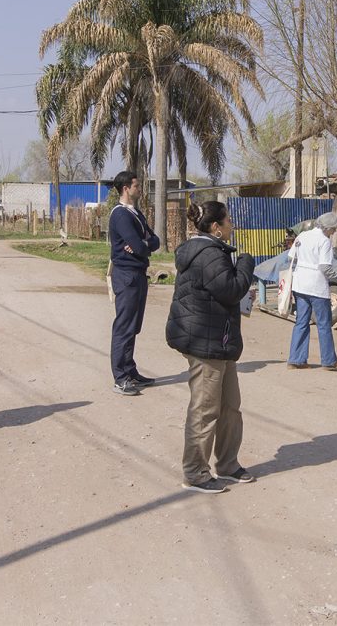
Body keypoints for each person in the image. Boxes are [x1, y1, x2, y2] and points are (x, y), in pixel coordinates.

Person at [166, 201, 255, 494]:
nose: (231, 224)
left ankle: (227, 464)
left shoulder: (212, 252)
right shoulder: (209, 255)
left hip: (219, 339)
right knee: (205, 410)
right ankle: (195, 472)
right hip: (204, 342)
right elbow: (231, 290)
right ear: (216, 227)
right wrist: (245, 263)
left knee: (230, 407)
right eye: (228, 220)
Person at [108, 171, 160, 396]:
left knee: (134, 326)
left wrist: (144, 243)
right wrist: (142, 244)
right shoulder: (120, 215)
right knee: (124, 326)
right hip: (126, 275)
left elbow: (154, 241)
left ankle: (130, 371)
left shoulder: (135, 213)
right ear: (126, 188)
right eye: (137, 185)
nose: (140, 189)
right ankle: (120, 377)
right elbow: (138, 247)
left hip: (139, 273)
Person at [287, 212, 337, 370]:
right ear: (328, 228)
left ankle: (296, 360)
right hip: (316, 287)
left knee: (301, 322)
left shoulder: (302, 236)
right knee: (323, 324)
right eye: (334, 229)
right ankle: (329, 361)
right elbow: (325, 268)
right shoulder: (324, 241)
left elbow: (291, 258)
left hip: (300, 285)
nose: (334, 232)